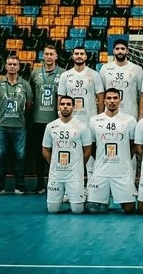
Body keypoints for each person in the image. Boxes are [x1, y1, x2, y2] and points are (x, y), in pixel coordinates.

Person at [58, 45, 105, 182]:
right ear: (72, 56)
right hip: (71, 122)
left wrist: (100, 117)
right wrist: (60, 116)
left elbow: (100, 96)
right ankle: (72, 184)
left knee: (90, 153)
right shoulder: (65, 76)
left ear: (86, 56)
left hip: (89, 121)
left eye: (81, 54)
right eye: (76, 53)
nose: (79, 56)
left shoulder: (94, 75)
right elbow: (60, 97)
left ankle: (91, 185)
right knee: (71, 152)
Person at [87, 88, 138, 214]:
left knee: (129, 209)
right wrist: (101, 159)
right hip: (101, 170)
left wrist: (124, 159)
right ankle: (95, 197)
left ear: (120, 100)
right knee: (93, 209)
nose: (112, 101)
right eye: (109, 98)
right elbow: (91, 146)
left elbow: (134, 145)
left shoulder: (129, 120)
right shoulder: (94, 120)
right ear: (104, 101)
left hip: (122, 171)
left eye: (115, 98)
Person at [0, 55, 33, 195]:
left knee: (20, 156)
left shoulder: (25, 84)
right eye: (10, 64)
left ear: (19, 67)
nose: (12, 66)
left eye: (15, 64)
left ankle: (20, 186)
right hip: (1, 126)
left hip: (19, 126)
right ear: (5, 66)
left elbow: (29, 105)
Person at [42, 96, 92, 214]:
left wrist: (79, 165)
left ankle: (83, 195)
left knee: (77, 211)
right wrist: (53, 163)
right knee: (52, 210)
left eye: (68, 104)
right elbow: (45, 149)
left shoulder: (82, 126)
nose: (65, 106)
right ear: (59, 107)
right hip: (56, 174)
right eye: (63, 104)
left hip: (74, 175)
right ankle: (66, 197)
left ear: (73, 107)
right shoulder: (50, 126)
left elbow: (88, 150)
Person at [29, 45, 65, 194]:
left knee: (57, 154)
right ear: (42, 56)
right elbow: (30, 96)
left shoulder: (63, 73)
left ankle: (55, 183)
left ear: (56, 56)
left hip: (56, 120)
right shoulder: (35, 73)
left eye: (51, 54)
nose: (49, 57)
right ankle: (39, 184)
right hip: (38, 120)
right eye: (46, 54)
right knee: (39, 154)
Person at [99, 38, 143, 119]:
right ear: (113, 51)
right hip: (109, 114)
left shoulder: (137, 69)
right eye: (117, 49)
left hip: (130, 114)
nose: (120, 51)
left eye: (123, 49)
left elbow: (142, 95)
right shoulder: (105, 68)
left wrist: (140, 116)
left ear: (127, 51)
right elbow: (101, 94)